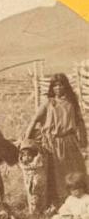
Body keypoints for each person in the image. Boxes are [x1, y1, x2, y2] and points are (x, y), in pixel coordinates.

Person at [25, 73, 88, 206]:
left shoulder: (71, 103)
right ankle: (59, 202)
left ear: (66, 86)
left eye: (61, 85)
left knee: (75, 171)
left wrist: (83, 142)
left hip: (70, 142)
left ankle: (81, 199)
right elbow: (34, 121)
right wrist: (26, 140)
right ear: (52, 88)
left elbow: (80, 122)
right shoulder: (48, 103)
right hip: (52, 144)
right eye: (55, 85)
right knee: (56, 174)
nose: (58, 88)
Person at [18, 139, 48, 216]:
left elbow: (38, 164)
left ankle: (42, 209)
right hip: (29, 182)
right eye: (24, 155)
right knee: (31, 196)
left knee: (40, 195)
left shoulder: (37, 161)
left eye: (29, 155)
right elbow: (22, 165)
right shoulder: (23, 165)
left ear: (34, 155)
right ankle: (33, 211)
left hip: (38, 180)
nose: (27, 158)